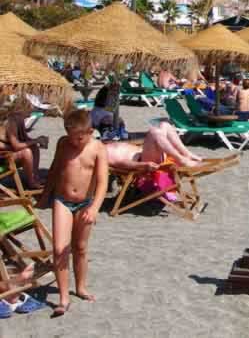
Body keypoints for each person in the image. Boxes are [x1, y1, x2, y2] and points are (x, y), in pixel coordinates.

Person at [37, 110, 108, 317]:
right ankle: (63, 298)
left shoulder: (98, 148)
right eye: (71, 137)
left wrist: (95, 207)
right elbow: (55, 169)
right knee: (60, 248)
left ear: (90, 131)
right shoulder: (63, 144)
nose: (75, 142)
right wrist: (44, 196)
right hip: (62, 201)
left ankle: (81, 287)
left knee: (80, 247)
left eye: (79, 137)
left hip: (86, 202)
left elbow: (103, 182)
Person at [106, 122, 203, 170]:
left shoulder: (103, 144)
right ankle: (181, 160)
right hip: (144, 162)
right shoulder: (102, 153)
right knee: (154, 132)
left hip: (148, 153)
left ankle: (187, 154)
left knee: (164, 124)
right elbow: (121, 163)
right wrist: (144, 165)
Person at [0, 105, 48, 189]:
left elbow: (21, 141)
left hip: (6, 154)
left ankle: (35, 177)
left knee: (34, 148)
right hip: (2, 159)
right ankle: (32, 182)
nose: (30, 112)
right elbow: (16, 146)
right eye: (29, 108)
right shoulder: (11, 123)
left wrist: (37, 141)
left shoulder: (15, 120)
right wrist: (36, 140)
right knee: (26, 152)